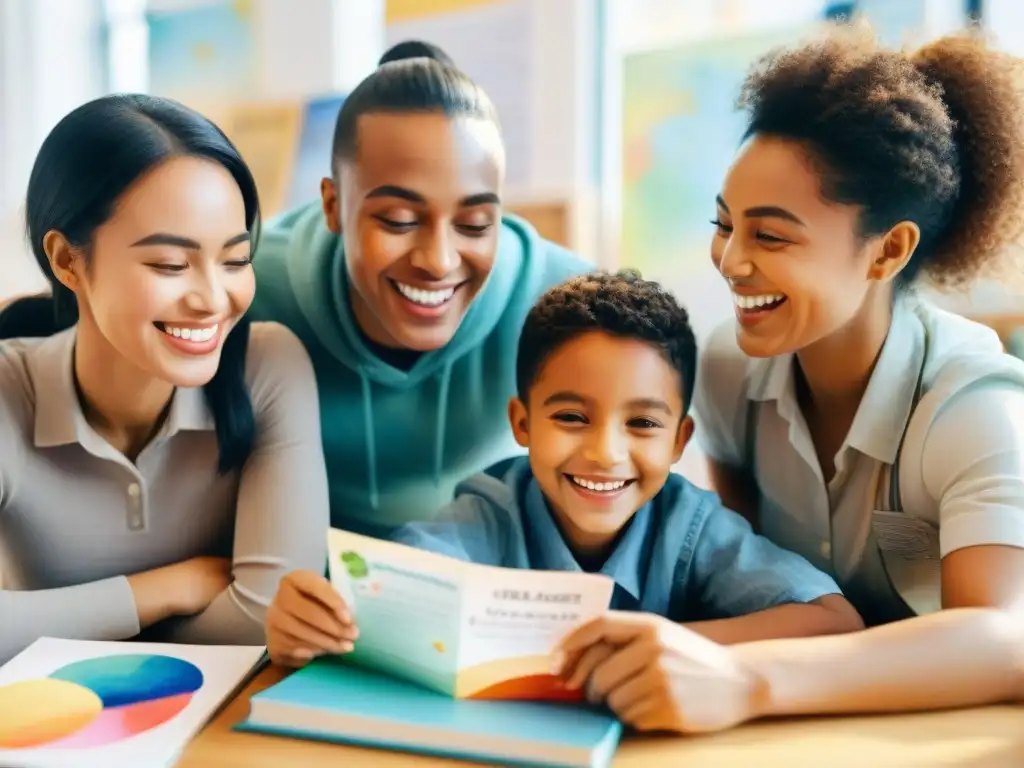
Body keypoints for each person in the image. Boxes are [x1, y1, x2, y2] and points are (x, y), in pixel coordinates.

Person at [550, 24, 1024, 732]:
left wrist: (746, 679)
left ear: (887, 250)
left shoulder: (974, 406)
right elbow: (741, 576)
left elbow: (1007, 641)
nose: (731, 261)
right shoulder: (727, 371)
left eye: (771, 236)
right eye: (724, 224)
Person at [265, 271, 864, 668]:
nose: (606, 452)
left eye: (643, 424)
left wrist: (663, 645)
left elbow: (834, 621)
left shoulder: (690, 527)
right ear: (523, 424)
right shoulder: (488, 511)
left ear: (681, 439)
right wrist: (309, 623)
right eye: (572, 417)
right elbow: (387, 595)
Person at [0, 94, 329, 664]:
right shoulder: (9, 388)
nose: (210, 300)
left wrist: (48, 626)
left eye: (234, 260)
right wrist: (158, 591)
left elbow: (268, 615)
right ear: (67, 261)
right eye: (170, 265)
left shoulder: (268, 366)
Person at [246, 42, 589, 543]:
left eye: (474, 224)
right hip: (294, 593)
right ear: (334, 204)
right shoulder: (244, 285)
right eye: (398, 220)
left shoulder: (572, 304)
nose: (438, 260)